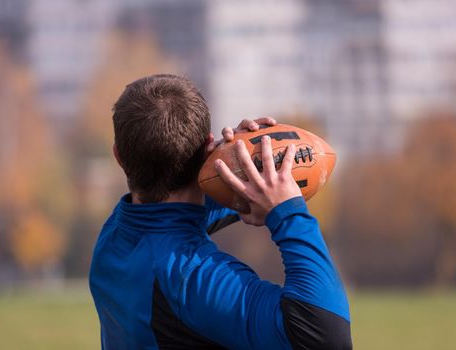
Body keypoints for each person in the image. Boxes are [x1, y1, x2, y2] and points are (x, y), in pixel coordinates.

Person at [89, 74, 352, 349]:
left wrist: (234, 166)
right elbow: (327, 335)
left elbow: (171, 219)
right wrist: (288, 213)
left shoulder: (113, 237)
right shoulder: (188, 281)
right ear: (207, 145)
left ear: (118, 156)